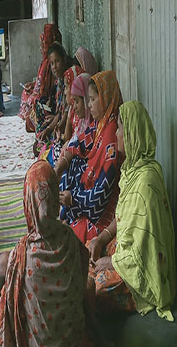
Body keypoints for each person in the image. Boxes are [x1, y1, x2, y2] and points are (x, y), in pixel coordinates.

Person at [87, 101, 176, 321]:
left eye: (119, 129)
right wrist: (103, 237)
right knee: (88, 252)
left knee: (91, 291)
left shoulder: (146, 182)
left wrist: (113, 261)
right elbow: (124, 217)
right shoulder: (132, 170)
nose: (115, 134)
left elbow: (145, 249)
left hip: (142, 269)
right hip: (127, 252)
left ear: (132, 136)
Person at [0, 161, 89, 347]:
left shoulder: (21, 254)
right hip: (73, 339)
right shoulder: (70, 238)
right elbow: (82, 279)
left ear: (29, 201)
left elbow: (13, 310)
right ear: (55, 197)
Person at [54, 71, 123, 244]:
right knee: (73, 163)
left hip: (101, 210)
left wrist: (74, 199)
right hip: (91, 191)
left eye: (92, 99)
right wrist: (59, 167)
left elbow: (102, 194)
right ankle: (68, 215)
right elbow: (78, 143)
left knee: (66, 240)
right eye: (88, 100)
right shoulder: (101, 124)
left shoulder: (111, 133)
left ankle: (73, 219)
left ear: (105, 98)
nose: (89, 105)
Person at [19, 24, 62, 131]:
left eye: (44, 44)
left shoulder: (51, 62)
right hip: (50, 99)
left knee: (35, 103)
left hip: (50, 99)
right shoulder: (46, 61)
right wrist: (33, 85)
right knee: (27, 94)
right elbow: (42, 82)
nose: (54, 66)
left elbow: (47, 89)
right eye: (53, 63)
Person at [41, 65, 84, 166]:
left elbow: (70, 142)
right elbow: (67, 138)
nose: (65, 92)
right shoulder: (73, 109)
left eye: (67, 87)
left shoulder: (83, 115)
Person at [33, 44, 69, 155]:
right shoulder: (59, 82)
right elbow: (60, 113)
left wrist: (50, 128)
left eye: (57, 61)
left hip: (65, 125)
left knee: (40, 147)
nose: (54, 67)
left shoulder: (69, 82)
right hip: (59, 120)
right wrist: (48, 128)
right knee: (39, 139)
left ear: (64, 60)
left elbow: (65, 115)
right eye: (52, 63)